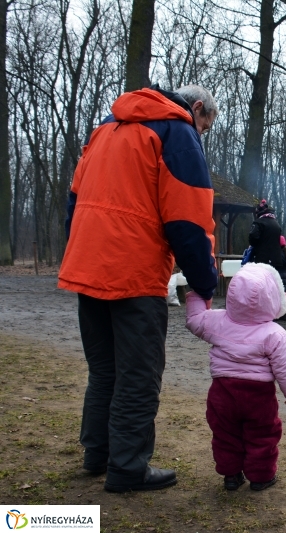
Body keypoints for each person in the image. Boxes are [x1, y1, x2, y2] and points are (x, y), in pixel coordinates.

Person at [58, 85, 219, 492]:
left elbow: (74, 204)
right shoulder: (176, 133)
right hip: (134, 272)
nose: (201, 133)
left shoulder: (106, 130)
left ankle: (98, 454)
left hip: (88, 265)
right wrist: (204, 281)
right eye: (206, 125)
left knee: (104, 370)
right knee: (138, 375)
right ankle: (128, 468)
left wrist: (81, 253)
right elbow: (187, 220)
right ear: (196, 108)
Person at [185, 263, 286, 491]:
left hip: (222, 392)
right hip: (258, 396)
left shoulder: (217, 321)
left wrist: (197, 295)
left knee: (225, 434)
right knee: (263, 435)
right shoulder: (275, 334)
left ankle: (231, 475)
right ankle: (261, 477)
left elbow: (194, 319)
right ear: (274, 298)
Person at [249, 201, 286, 291]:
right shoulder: (276, 224)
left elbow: (253, 239)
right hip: (276, 260)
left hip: (263, 260)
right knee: (273, 286)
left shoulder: (258, 223)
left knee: (262, 286)